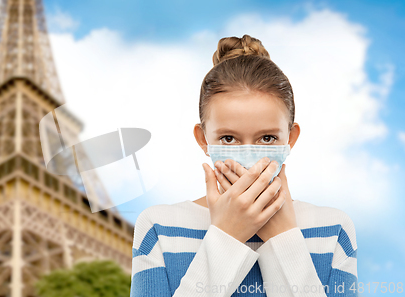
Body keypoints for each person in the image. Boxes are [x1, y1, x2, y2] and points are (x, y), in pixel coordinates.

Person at [130, 34, 358, 297]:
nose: (249, 156)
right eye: (228, 138)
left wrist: (283, 239)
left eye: (267, 138)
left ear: (290, 138)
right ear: (203, 139)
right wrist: (226, 236)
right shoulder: (159, 227)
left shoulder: (334, 229)